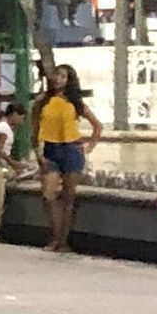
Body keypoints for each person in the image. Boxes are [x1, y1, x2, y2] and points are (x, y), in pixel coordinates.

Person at [29, 63, 99, 256]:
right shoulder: (42, 101)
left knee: (68, 198)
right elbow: (34, 131)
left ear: (69, 81)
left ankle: (62, 240)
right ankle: (55, 236)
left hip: (71, 149)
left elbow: (97, 126)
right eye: (56, 75)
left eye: (63, 76)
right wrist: (38, 154)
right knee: (49, 195)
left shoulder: (75, 103)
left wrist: (89, 145)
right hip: (50, 149)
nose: (58, 79)